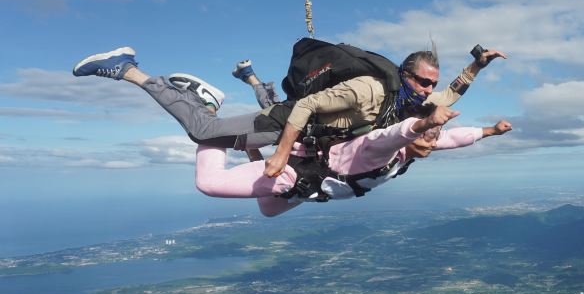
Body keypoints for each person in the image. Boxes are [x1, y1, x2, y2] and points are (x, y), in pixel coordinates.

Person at [72, 42, 507, 177]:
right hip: (286, 123)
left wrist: (477, 66)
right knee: (203, 132)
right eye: (424, 81)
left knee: (217, 130)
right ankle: (130, 70)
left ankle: (214, 91)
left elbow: (450, 96)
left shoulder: (407, 100)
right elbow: (310, 105)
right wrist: (280, 153)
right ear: (405, 74)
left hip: (307, 133)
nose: (429, 89)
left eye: (432, 83)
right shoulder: (371, 89)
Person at [194, 103, 513, 217]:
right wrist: (421, 124)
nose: (433, 142)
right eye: (428, 135)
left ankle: (253, 154)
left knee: (268, 209)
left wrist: (489, 131)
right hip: (296, 176)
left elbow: (451, 139)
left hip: (309, 188)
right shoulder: (383, 146)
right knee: (209, 183)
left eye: (434, 136)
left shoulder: (412, 149)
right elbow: (393, 134)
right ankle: (209, 121)